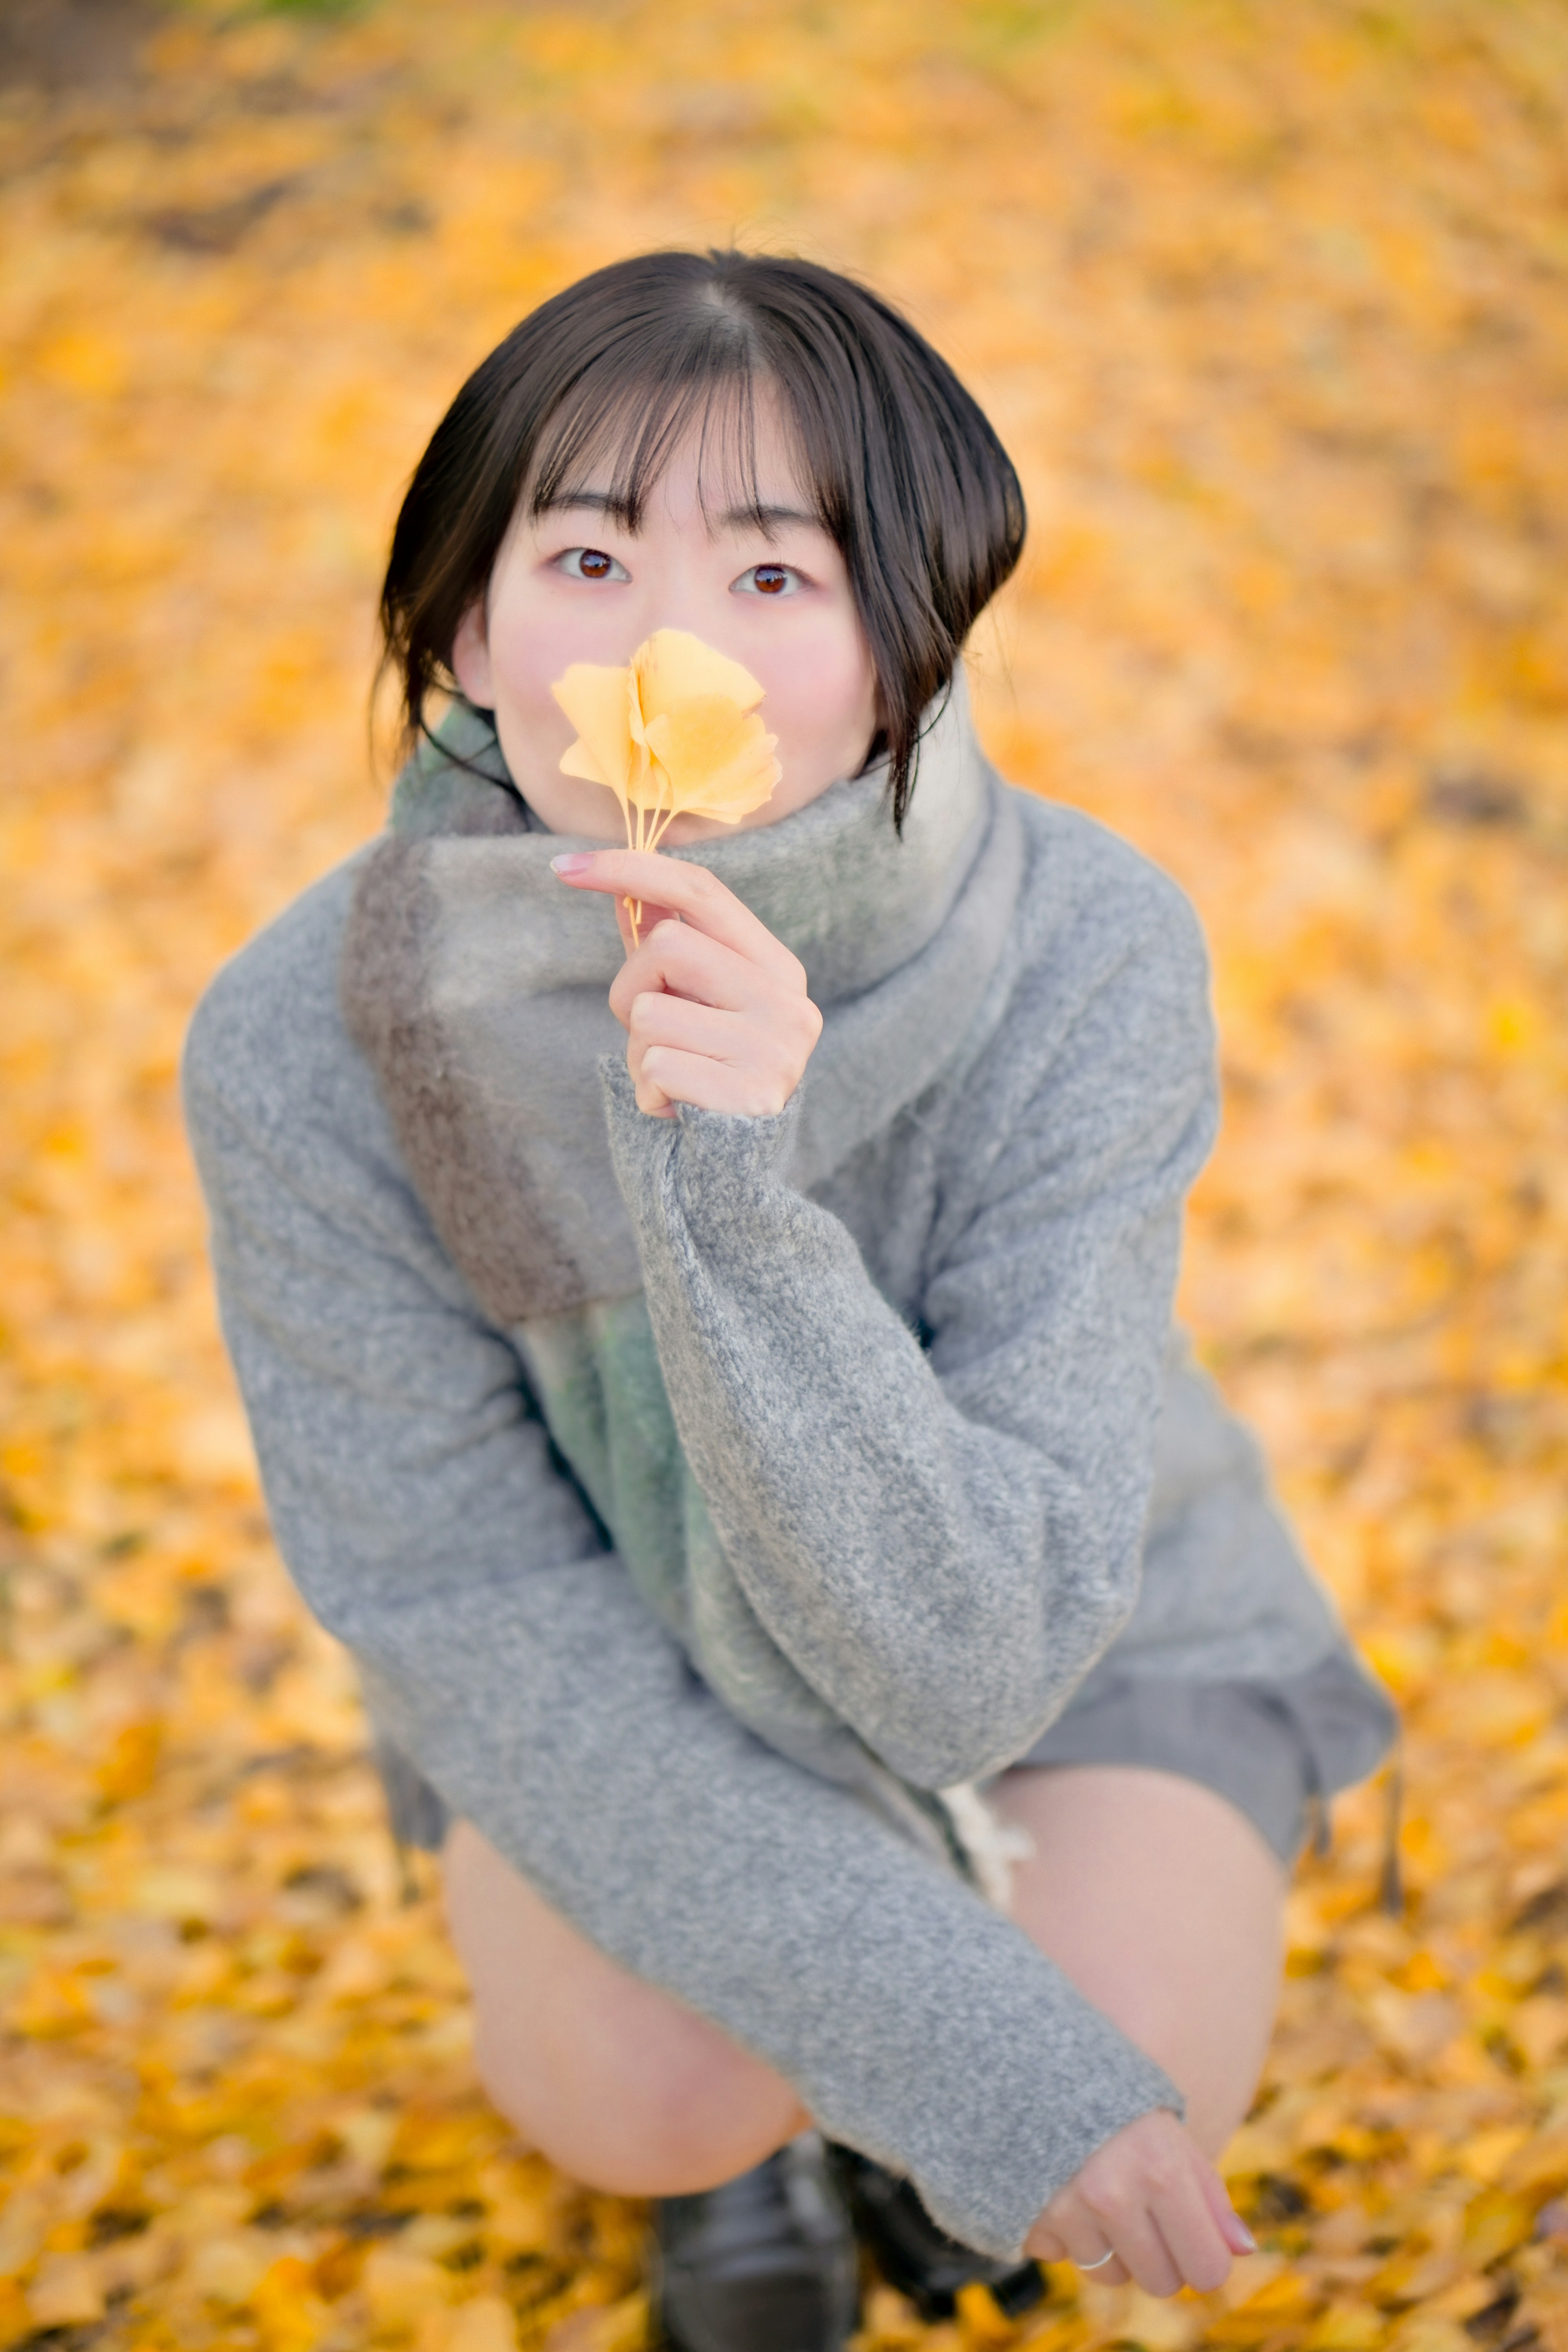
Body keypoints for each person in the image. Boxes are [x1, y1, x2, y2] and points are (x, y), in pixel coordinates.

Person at [183, 249, 1397, 2352]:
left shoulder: (1087, 942)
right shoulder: (309, 1039)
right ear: (467, 628)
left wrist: (724, 1176)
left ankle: (877, 2096)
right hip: (615, 1654)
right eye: (584, 554)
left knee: (1151, 2064)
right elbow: (464, 1604)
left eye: (774, 578)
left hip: (1055, 1614)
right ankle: (761, 2151)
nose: (668, 642)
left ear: (904, 645)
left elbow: (969, 1668)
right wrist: (946, 2046)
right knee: (649, 2094)